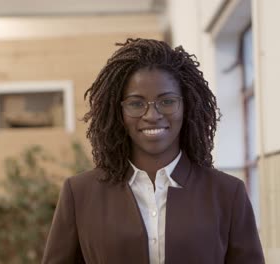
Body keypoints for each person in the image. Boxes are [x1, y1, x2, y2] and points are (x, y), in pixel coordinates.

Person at [42, 38, 264, 264]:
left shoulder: (227, 193)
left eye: (167, 101)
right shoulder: (79, 194)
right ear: (117, 112)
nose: (152, 115)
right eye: (136, 104)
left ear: (186, 106)